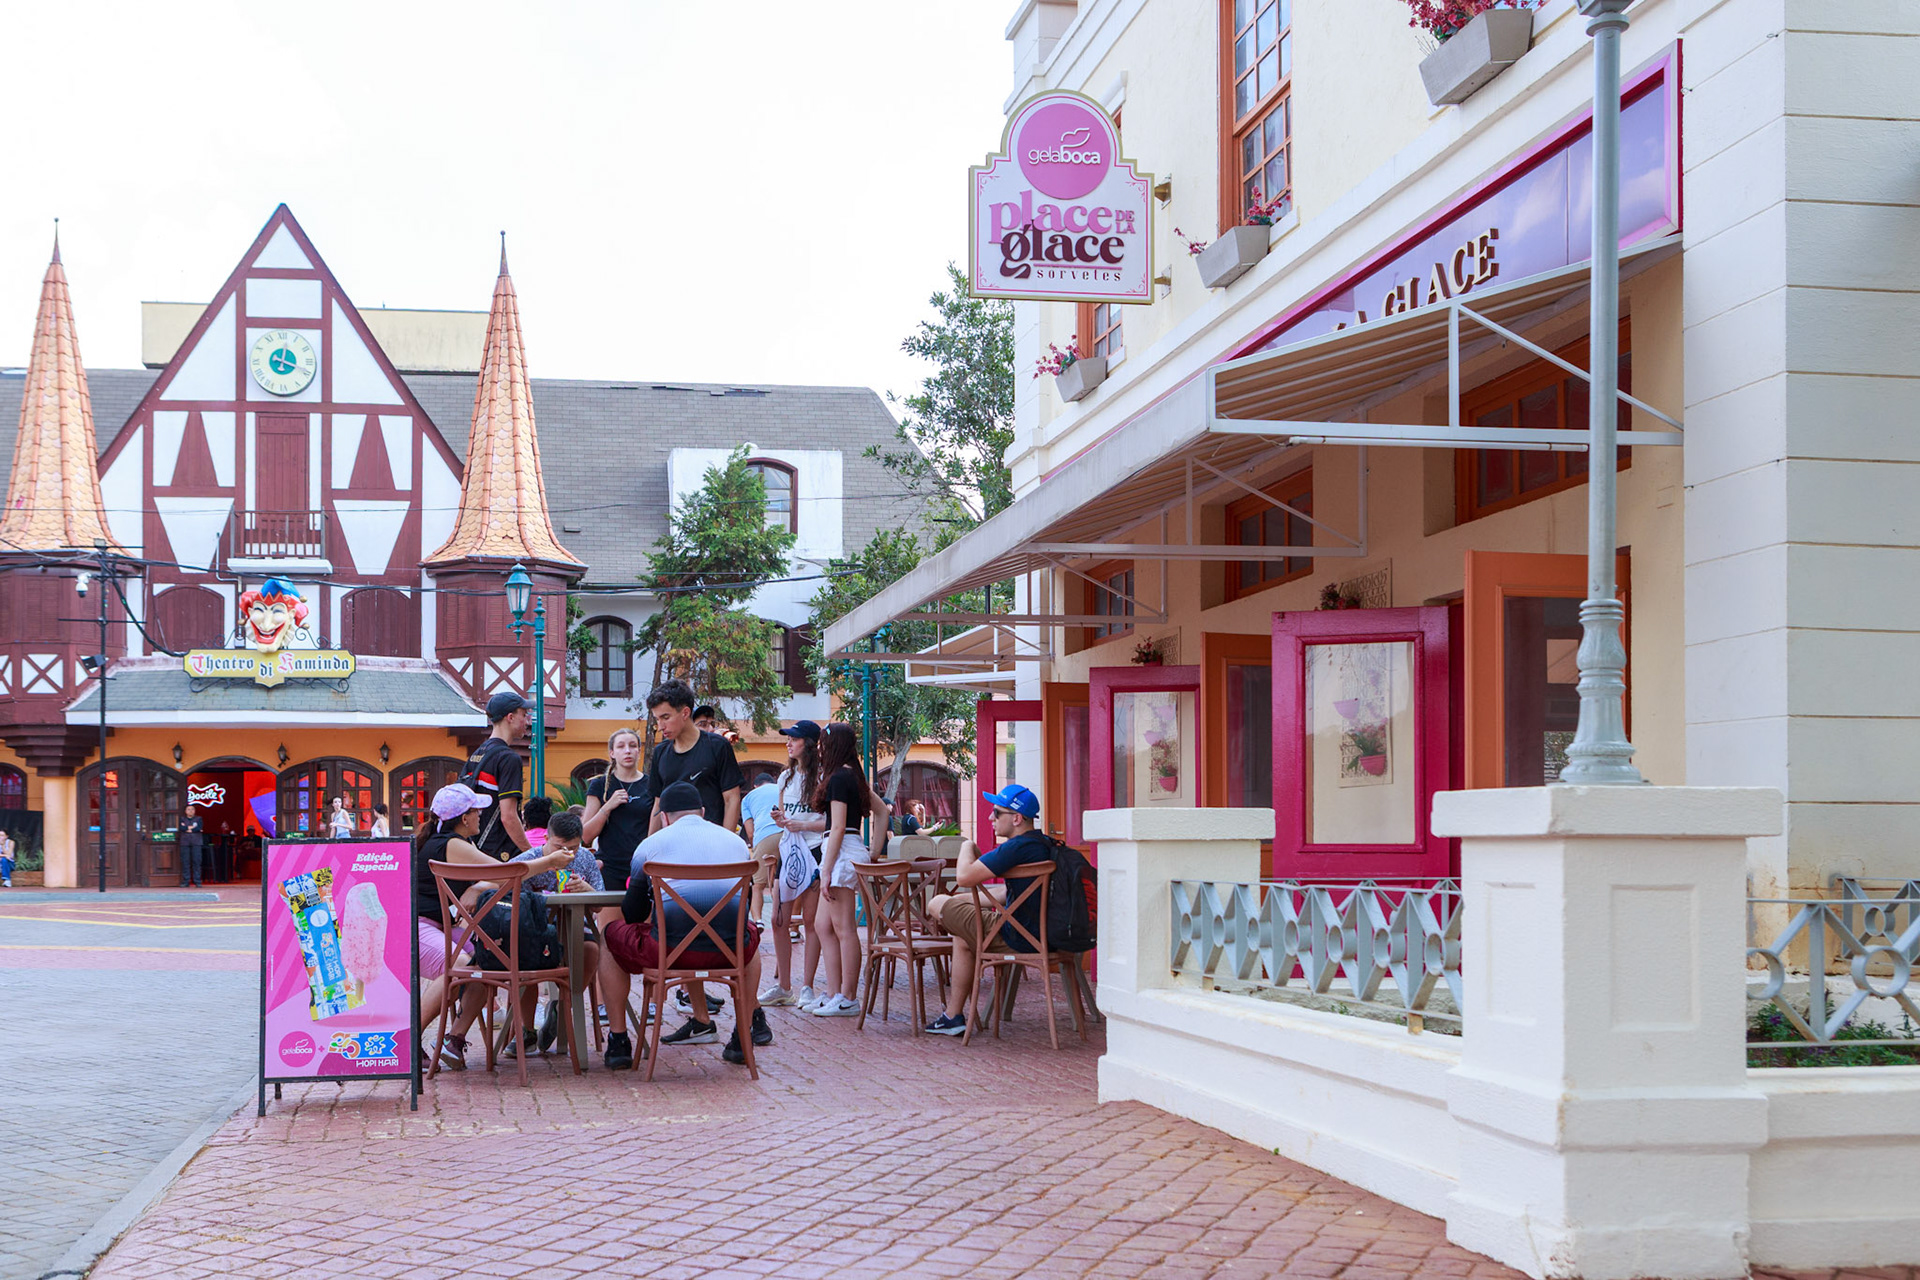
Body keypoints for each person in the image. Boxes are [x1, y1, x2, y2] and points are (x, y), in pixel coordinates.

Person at [594, 781, 772, 1069]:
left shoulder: (650, 846)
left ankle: (618, 1041)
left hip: (667, 951)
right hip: (727, 950)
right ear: (702, 812)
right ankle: (742, 1035)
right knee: (748, 936)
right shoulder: (736, 843)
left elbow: (634, 912)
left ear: (664, 817)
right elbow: (745, 903)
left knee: (610, 936)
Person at [414, 784, 574, 1069]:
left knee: (489, 959)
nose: (481, 816)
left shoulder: (450, 842)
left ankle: (455, 1040)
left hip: (441, 926)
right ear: (465, 818)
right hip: (418, 927)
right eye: (477, 811)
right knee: (461, 964)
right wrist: (549, 861)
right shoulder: (451, 844)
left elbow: (496, 877)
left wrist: (477, 887)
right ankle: (410, 1041)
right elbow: (507, 874)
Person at [922, 784, 1052, 1036]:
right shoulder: (1043, 844)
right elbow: (1011, 894)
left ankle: (954, 1017)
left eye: (996, 812)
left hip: (1018, 935)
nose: (990, 817)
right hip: (1044, 933)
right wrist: (963, 901)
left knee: (936, 903)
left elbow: (964, 876)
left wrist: (966, 846)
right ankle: (953, 1016)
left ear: (1016, 818)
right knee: (962, 934)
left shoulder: (1016, 847)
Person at [805, 723, 890, 1017]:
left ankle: (848, 996)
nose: (818, 749)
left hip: (840, 849)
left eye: (822, 744)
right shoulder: (850, 775)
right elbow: (882, 811)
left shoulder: (840, 777)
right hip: (845, 848)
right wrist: (874, 852)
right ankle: (834, 992)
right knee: (823, 925)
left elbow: (838, 826)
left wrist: (826, 871)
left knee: (843, 928)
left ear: (832, 746)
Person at [507, 809, 601, 1055]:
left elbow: (600, 903)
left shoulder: (586, 860)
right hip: (534, 933)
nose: (567, 854)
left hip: (575, 931)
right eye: (560, 847)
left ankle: (561, 1009)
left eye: (573, 848)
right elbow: (503, 883)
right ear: (546, 838)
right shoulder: (528, 860)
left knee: (591, 950)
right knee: (526, 967)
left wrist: (588, 889)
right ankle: (526, 1032)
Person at [757, 720, 826, 1007]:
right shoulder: (785, 777)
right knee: (778, 919)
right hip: (791, 851)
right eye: (788, 738)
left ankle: (807, 986)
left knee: (811, 921)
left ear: (808, 744)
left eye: (795, 738)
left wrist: (799, 824)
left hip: (816, 850)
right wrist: (782, 821)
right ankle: (784, 986)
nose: (789, 742)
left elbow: (829, 822)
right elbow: (786, 818)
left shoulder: (824, 776)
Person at [644, 681, 743, 834]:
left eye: (665, 717)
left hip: (710, 841)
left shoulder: (717, 746)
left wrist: (725, 843)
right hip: (672, 845)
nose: (660, 726)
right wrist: (649, 846)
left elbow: (732, 799)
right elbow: (658, 804)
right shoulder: (660, 752)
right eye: (657, 719)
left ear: (685, 713)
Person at [464, 691, 534, 860]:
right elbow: (509, 816)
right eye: (524, 715)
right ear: (510, 717)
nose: (528, 721)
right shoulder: (508, 758)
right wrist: (532, 854)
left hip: (476, 847)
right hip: (501, 852)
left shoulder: (477, 754)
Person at [582, 727, 651, 891]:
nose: (627, 751)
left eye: (633, 746)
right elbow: (585, 835)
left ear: (639, 751)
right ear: (612, 753)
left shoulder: (651, 784)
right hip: (610, 867)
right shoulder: (599, 785)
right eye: (621, 746)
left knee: (640, 917)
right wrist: (608, 807)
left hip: (643, 866)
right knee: (611, 918)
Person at [739, 775, 780, 917]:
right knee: (791, 882)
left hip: (765, 836)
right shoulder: (782, 789)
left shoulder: (747, 798)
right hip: (789, 834)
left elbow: (750, 833)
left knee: (758, 885)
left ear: (755, 786)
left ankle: (758, 920)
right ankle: (793, 928)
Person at [176, 806, 206, 887]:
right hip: (185, 843)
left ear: (195, 811)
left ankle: (197, 881)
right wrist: (192, 828)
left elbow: (199, 828)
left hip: (196, 842)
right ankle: (186, 881)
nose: (191, 811)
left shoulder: (199, 819)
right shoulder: (182, 819)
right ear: (185, 811)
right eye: (189, 809)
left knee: (197, 861)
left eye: (192, 809)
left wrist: (188, 829)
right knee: (185, 862)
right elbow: (181, 828)